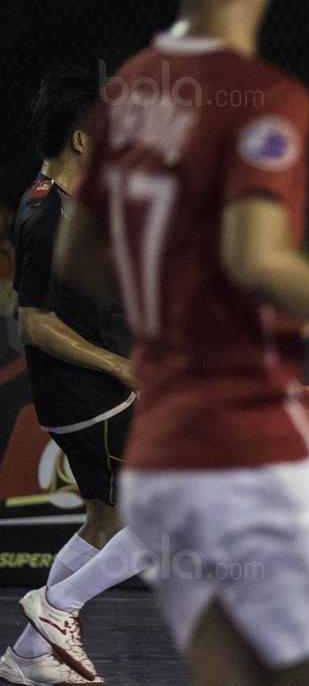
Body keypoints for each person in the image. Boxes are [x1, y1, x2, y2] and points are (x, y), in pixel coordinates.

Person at [53, 0, 309, 684]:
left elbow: (79, 254)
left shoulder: (137, 87)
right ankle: (56, 606)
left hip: (162, 455)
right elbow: (256, 258)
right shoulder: (264, 95)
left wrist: (174, 307)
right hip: (251, 446)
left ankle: (55, 608)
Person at [0, 65, 143, 686]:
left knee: (106, 522)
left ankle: (30, 654)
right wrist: (118, 363)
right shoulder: (44, 216)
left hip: (99, 394)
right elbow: (32, 323)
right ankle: (59, 607)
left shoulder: (81, 203)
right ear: (82, 140)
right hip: (95, 401)